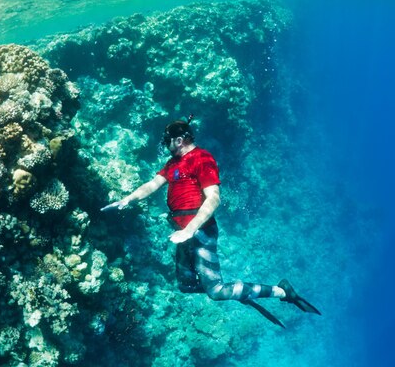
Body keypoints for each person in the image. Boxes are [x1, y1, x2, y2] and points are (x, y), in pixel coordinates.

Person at [101, 117, 320, 323]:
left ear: (178, 140)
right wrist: (127, 200)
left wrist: (190, 229)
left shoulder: (202, 158)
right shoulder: (172, 163)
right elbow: (152, 184)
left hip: (201, 231)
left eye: (167, 141)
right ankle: (235, 290)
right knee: (185, 285)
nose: (164, 144)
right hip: (183, 233)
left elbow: (214, 198)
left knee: (216, 292)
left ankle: (282, 291)